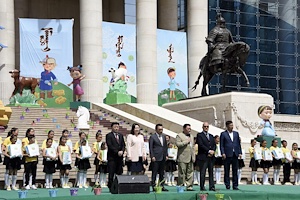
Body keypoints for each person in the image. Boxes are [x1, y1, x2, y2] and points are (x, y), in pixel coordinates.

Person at [220, 120, 242, 190]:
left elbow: (238, 144)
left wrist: (240, 152)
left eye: (232, 125)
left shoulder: (236, 134)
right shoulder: (223, 134)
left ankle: (235, 185)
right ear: (227, 126)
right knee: (227, 170)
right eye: (230, 125)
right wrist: (223, 152)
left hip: (235, 154)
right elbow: (222, 145)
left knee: (235, 170)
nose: (232, 127)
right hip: (227, 154)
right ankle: (227, 184)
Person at [106, 122, 125, 191]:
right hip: (112, 157)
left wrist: (122, 151)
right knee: (111, 173)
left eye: (117, 127)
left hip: (119, 158)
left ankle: (118, 186)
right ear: (112, 127)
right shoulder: (109, 135)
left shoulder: (121, 135)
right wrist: (117, 152)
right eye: (115, 127)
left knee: (119, 172)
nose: (116, 128)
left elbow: (123, 145)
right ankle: (111, 187)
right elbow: (110, 145)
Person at [197, 122, 216, 191]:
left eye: (207, 126)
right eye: (205, 126)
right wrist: (208, 151)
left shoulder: (211, 136)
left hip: (211, 157)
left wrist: (213, 151)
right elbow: (201, 145)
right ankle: (202, 186)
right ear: (202, 127)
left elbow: (214, 145)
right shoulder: (200, 135)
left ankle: (212, 186)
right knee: (203, 172)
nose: (206, 128)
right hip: (203, 156)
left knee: (211, 172)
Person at [175, 124, 195, 191]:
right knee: (182, 173)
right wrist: (186, 141)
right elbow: (178, 144)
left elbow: (193, 147)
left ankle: (189, 186)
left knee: (190, 172)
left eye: (190, 128)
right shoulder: (179, 135)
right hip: (182, 157)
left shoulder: (191, 136)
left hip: (190, 157)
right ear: (184, 129)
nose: (189, 130)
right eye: (188, 128)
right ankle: (181, 186)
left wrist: (193, 156)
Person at [149, 124, 168, 191]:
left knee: (162, 172)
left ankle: (162, 185)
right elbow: (151, 147)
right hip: (156, 157)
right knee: (154, 172)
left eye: (162, 129)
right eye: (159, 129)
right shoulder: (152, 137)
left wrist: (166, 155)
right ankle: (153, 185)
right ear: (156, 130)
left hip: (163, 157)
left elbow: (165, 146)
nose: (161, 131)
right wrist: (152, 156)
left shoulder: (163, 136)